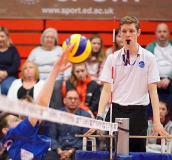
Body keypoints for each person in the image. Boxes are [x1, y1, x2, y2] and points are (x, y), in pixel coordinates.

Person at [85, 16, 169, 152]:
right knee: (113, 154)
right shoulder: (112, 58)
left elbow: (153, 91)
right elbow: (106, 90)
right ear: (119, 34)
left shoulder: (149, 58)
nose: (127, 34)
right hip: (116, 110)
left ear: (139, 32)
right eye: (124, 31)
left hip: (138, 113)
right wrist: (99, 118)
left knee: (137, 154)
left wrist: (157, 122)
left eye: (131, 31)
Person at [0, 43, 75, 159]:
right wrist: (54, 70)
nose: (21, 120)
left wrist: (54, 73)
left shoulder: (16, 141)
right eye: (16, 120)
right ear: (6, 131)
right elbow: (41, 105)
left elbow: (40, 108)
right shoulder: (18, 133)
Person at [27, 28, 71, 109]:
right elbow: (28, 64)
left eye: (52, 37)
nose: (49, 39)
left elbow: (67, 63)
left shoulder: (60, 50)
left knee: (56, 87)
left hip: (56, 78)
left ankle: (55, 112)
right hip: (38, 78)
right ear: (43, 39)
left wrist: (66, 77)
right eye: (47, 37)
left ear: (55, 40)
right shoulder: (35, 51)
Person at [45, 89, 91, 160]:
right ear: (64, 100)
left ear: (79, 101)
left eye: (75, 98)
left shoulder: (86, 116)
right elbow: (52, 136)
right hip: (58, 149)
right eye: (70, 98)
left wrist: (70, 151)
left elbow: (86, 138)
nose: (73, 101)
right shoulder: (56, 114)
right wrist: (60, 152)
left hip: (77, 150)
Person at [146, 23, 172, 113]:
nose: (162, 33)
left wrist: (169, 78)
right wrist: (155, 78)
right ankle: (150, 118)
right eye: (159, 31)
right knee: (147, 88)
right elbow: (147, 65)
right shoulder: (150, 47)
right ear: (156, 33)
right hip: (154, 78)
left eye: (164, 31)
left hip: (170, 79)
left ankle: (169, 116)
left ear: (169, 33)